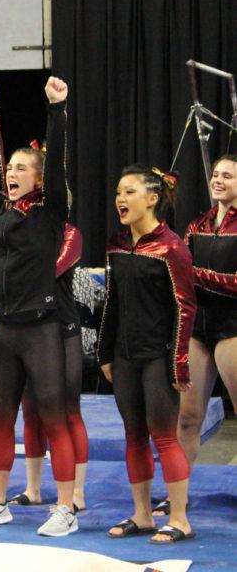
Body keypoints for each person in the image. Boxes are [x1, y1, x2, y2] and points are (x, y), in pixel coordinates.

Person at [0, 76, 78, 537]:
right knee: (2, 418)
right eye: (9, 168)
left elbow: (57, 163)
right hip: (6, 329)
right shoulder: (7, 210)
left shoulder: (52, 209)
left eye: (20, 168)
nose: (10, 172)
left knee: (53, 418)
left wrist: (57, 110)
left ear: (39, 175)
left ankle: (66, 508)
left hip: (43, 327)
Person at [99, 165, 196, 544]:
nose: (120, 199)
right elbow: (112, 302)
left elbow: (185, 309)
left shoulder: (171, 248)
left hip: (158, 356)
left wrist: (178, 360)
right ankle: (142, 515)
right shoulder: (117, 245)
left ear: (152, 199)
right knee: (133, 435)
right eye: (118, 193)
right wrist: (105, 352)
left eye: (129, 192)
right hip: (125, 356)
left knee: (164, 436)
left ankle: (180, 518)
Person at [151, 154, 237, 518]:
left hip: (233, 326)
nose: (218, 180)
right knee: (187, 418)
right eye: (216, 174)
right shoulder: (198, 223)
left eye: (228, 177)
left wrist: (195, 273)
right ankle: (178, 494)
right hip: (199, 328)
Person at [5, 222, 90, 513]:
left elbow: (49, 271)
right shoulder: (20, 228)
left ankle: (76, 492)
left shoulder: (69, 233)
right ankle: (34, 488)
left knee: (67, 409)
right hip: (28, 328)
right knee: (31, 412)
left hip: (61, 329)